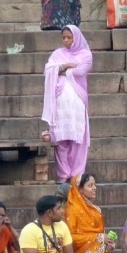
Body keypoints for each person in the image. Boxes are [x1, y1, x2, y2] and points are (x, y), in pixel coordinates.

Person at [42, 25, 93, 183]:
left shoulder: (86, 54)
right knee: (61, 139)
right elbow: (48, 69)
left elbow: (81, 71)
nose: (66, 40)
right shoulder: (57, 53)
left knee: (77, 139)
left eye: (69, 37)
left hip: (77, 102)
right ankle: (63, 176)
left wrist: (60, 70)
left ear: (76, 37)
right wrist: (67, 66)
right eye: (63, 37)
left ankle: (76, 176)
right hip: (60, 103)